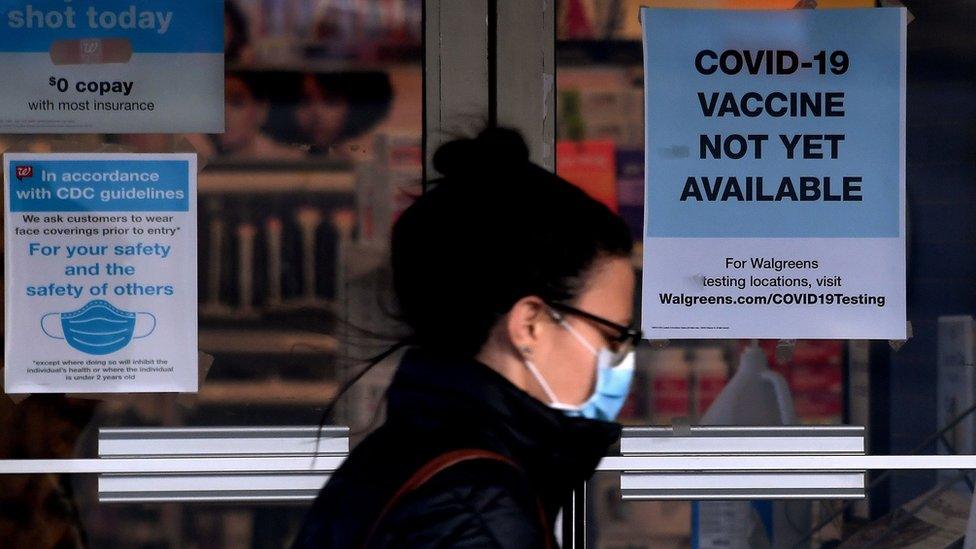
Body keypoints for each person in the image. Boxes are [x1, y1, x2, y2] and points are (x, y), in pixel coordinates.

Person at [292, 127, 640, 548]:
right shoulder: (475, 507)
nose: (619, 358)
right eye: (611, 336)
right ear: (529, 324)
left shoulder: (415, 458)